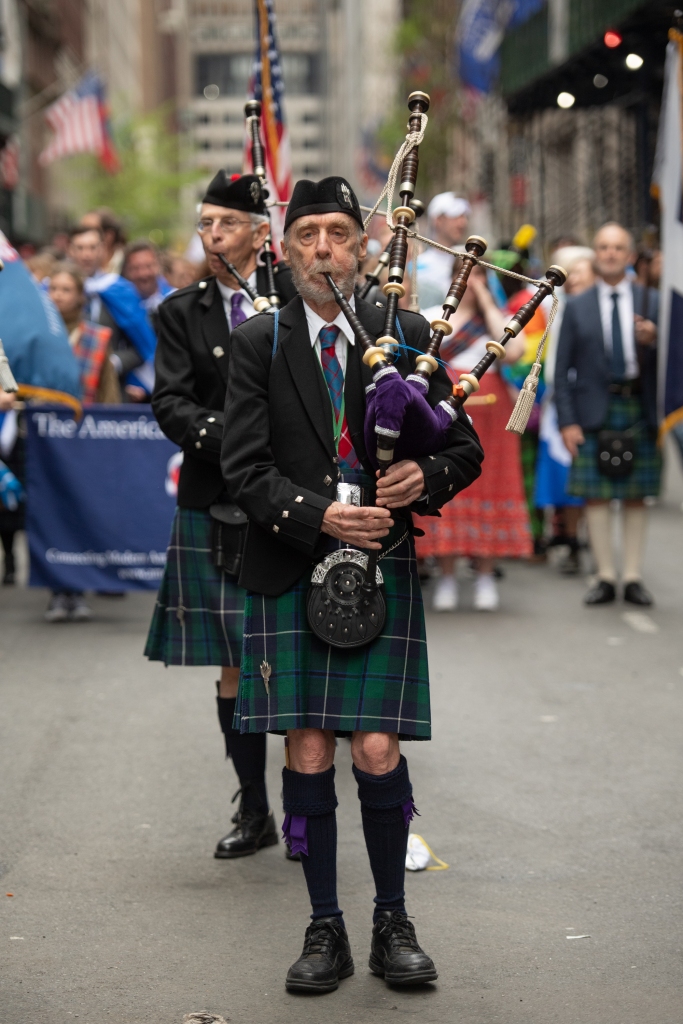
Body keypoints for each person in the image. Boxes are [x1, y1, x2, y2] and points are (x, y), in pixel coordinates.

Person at [221, 176, 483, 993]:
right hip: (292, 559)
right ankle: (324, 924)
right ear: (286, 248)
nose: (325, 248)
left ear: (364, 246)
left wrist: (423, 474)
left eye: (339, 232)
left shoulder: (405, 331)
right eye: (308, 236)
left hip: (380, 567)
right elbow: (243, 471)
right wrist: (317, 517)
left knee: (374, 746)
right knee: (305, 746)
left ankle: (391, 920)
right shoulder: (257, 343)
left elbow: (464, 449)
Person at [144, 173, 297, 860]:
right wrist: (239, 439)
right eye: (204, 225)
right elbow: (170, 404)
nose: (211, 238)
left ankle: (303, 813)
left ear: (261, 235)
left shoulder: (297, 300)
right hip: (217, 502)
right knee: (235, 665)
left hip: (291, 502)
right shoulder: (181, 311)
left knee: (290, 658)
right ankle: (255, 807)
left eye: (226, 225)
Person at [555, 222, 660, 606]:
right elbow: (561, 370)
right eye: (603, 247)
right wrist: (567, 421)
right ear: (595, 256)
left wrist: (656, 339)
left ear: (630, 255)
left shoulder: (653, 300)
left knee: (636, 496)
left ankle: (631, 577)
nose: (611, 253)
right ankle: (604, 577)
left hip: (638, 406)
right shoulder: (577, 306)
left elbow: (674, 362)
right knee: (596, 497)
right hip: (592, 411)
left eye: (618, 247)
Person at [416, 265, 529, 611]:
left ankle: (484, 574)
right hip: (446, 407)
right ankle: (447, 575)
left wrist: (485, 298)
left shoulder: (500, 319)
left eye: (480, 275)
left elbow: (513, 352)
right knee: (448, 484)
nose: (472, 282)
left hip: (492, 411)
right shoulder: (435, 317)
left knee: (493, 485)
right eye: (466, 276)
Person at [534, 247, 594, 574]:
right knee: (559, 473)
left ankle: (579, 536)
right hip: (558, 400)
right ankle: (563, 535)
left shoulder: (602, 309)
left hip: (592, 401)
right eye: (571, 272)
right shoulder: (551, 308)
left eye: (583, 271)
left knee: (583, 473)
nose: (576, 278)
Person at [68, 225, 157, 401]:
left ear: (102, 249)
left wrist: (114, 362)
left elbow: (141, 345)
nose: (87, 254)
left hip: (110, 395)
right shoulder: (55, 291)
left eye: (92, 248)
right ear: (70, 250)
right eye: (80, 248)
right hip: (66, 392)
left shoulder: (120, 291)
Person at [416, 192, 470, 307]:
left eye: (464, 217)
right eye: (455, 216)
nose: (462, 223)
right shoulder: (417, 266)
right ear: (437, 220)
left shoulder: (473, 265)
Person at [121, 240, 174, 334]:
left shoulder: (174, 300)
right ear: (126, 271)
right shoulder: (121, 307)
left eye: (148, 266)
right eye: (136, 268)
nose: (143, 274)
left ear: (158, 266)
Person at [80, 208, 126, 274]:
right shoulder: (75, 267)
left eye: (91, 231)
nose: (83, 236)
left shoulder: (127, 263)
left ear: (109, 235)